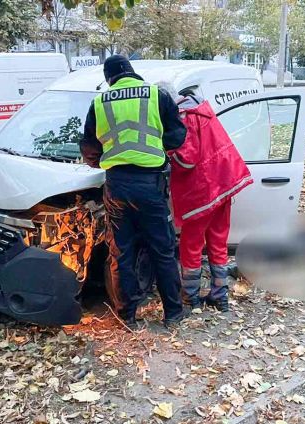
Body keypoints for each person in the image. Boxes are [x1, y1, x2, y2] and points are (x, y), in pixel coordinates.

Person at [80, 55, 188, 330]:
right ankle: (173, 315)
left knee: (121, 253)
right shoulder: (157, 95)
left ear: (109, 79)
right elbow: (177, 137)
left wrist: (107, 159)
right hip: (151, 184)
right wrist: (154, 149)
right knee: (162, 251)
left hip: (117, 185)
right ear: (131, 71)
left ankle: (126, 316)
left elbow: (90, 150)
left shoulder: (99, 102)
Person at [160, 83, 252, 311]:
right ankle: (220, 297)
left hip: (202, 189)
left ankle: (190, 297)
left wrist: (166, 152)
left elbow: (187, 159)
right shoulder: (202, 110)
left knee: (191, 245)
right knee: (218, 242)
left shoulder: (183, 117)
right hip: (224, 182)